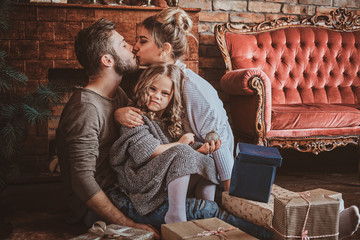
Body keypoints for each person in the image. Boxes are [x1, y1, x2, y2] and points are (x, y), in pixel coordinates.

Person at [55, 18, 158, 237]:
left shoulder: (117, 94)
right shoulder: (85, 108)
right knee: (201, 210)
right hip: (95, 208)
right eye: (123, 45)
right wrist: (131, 225)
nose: (133, 47)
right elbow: (83, 181)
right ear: (107, 60)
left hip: (123, 189)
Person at [115, 7, 234, 191]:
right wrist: (119, 112)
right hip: (177, 158)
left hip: (208, 166)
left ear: (164, 49)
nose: (135, 46)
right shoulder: (154, 78)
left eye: (143, 41)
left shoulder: (193, 89)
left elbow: (218, 140)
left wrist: (230, 193)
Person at [110, 63, 220, 224]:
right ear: (143, 87)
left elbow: (174, 154)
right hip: (138, 178)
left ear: (171, 98)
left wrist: (201, 150)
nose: (157, 96)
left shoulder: (168, 122)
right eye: (152, 89)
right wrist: (181, 144)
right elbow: (147, 153)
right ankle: (175, 215)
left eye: (164, 93)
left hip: (158, 175)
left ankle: (207, 214)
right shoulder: (135, 117)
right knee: (182, 152)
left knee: (208, 160)